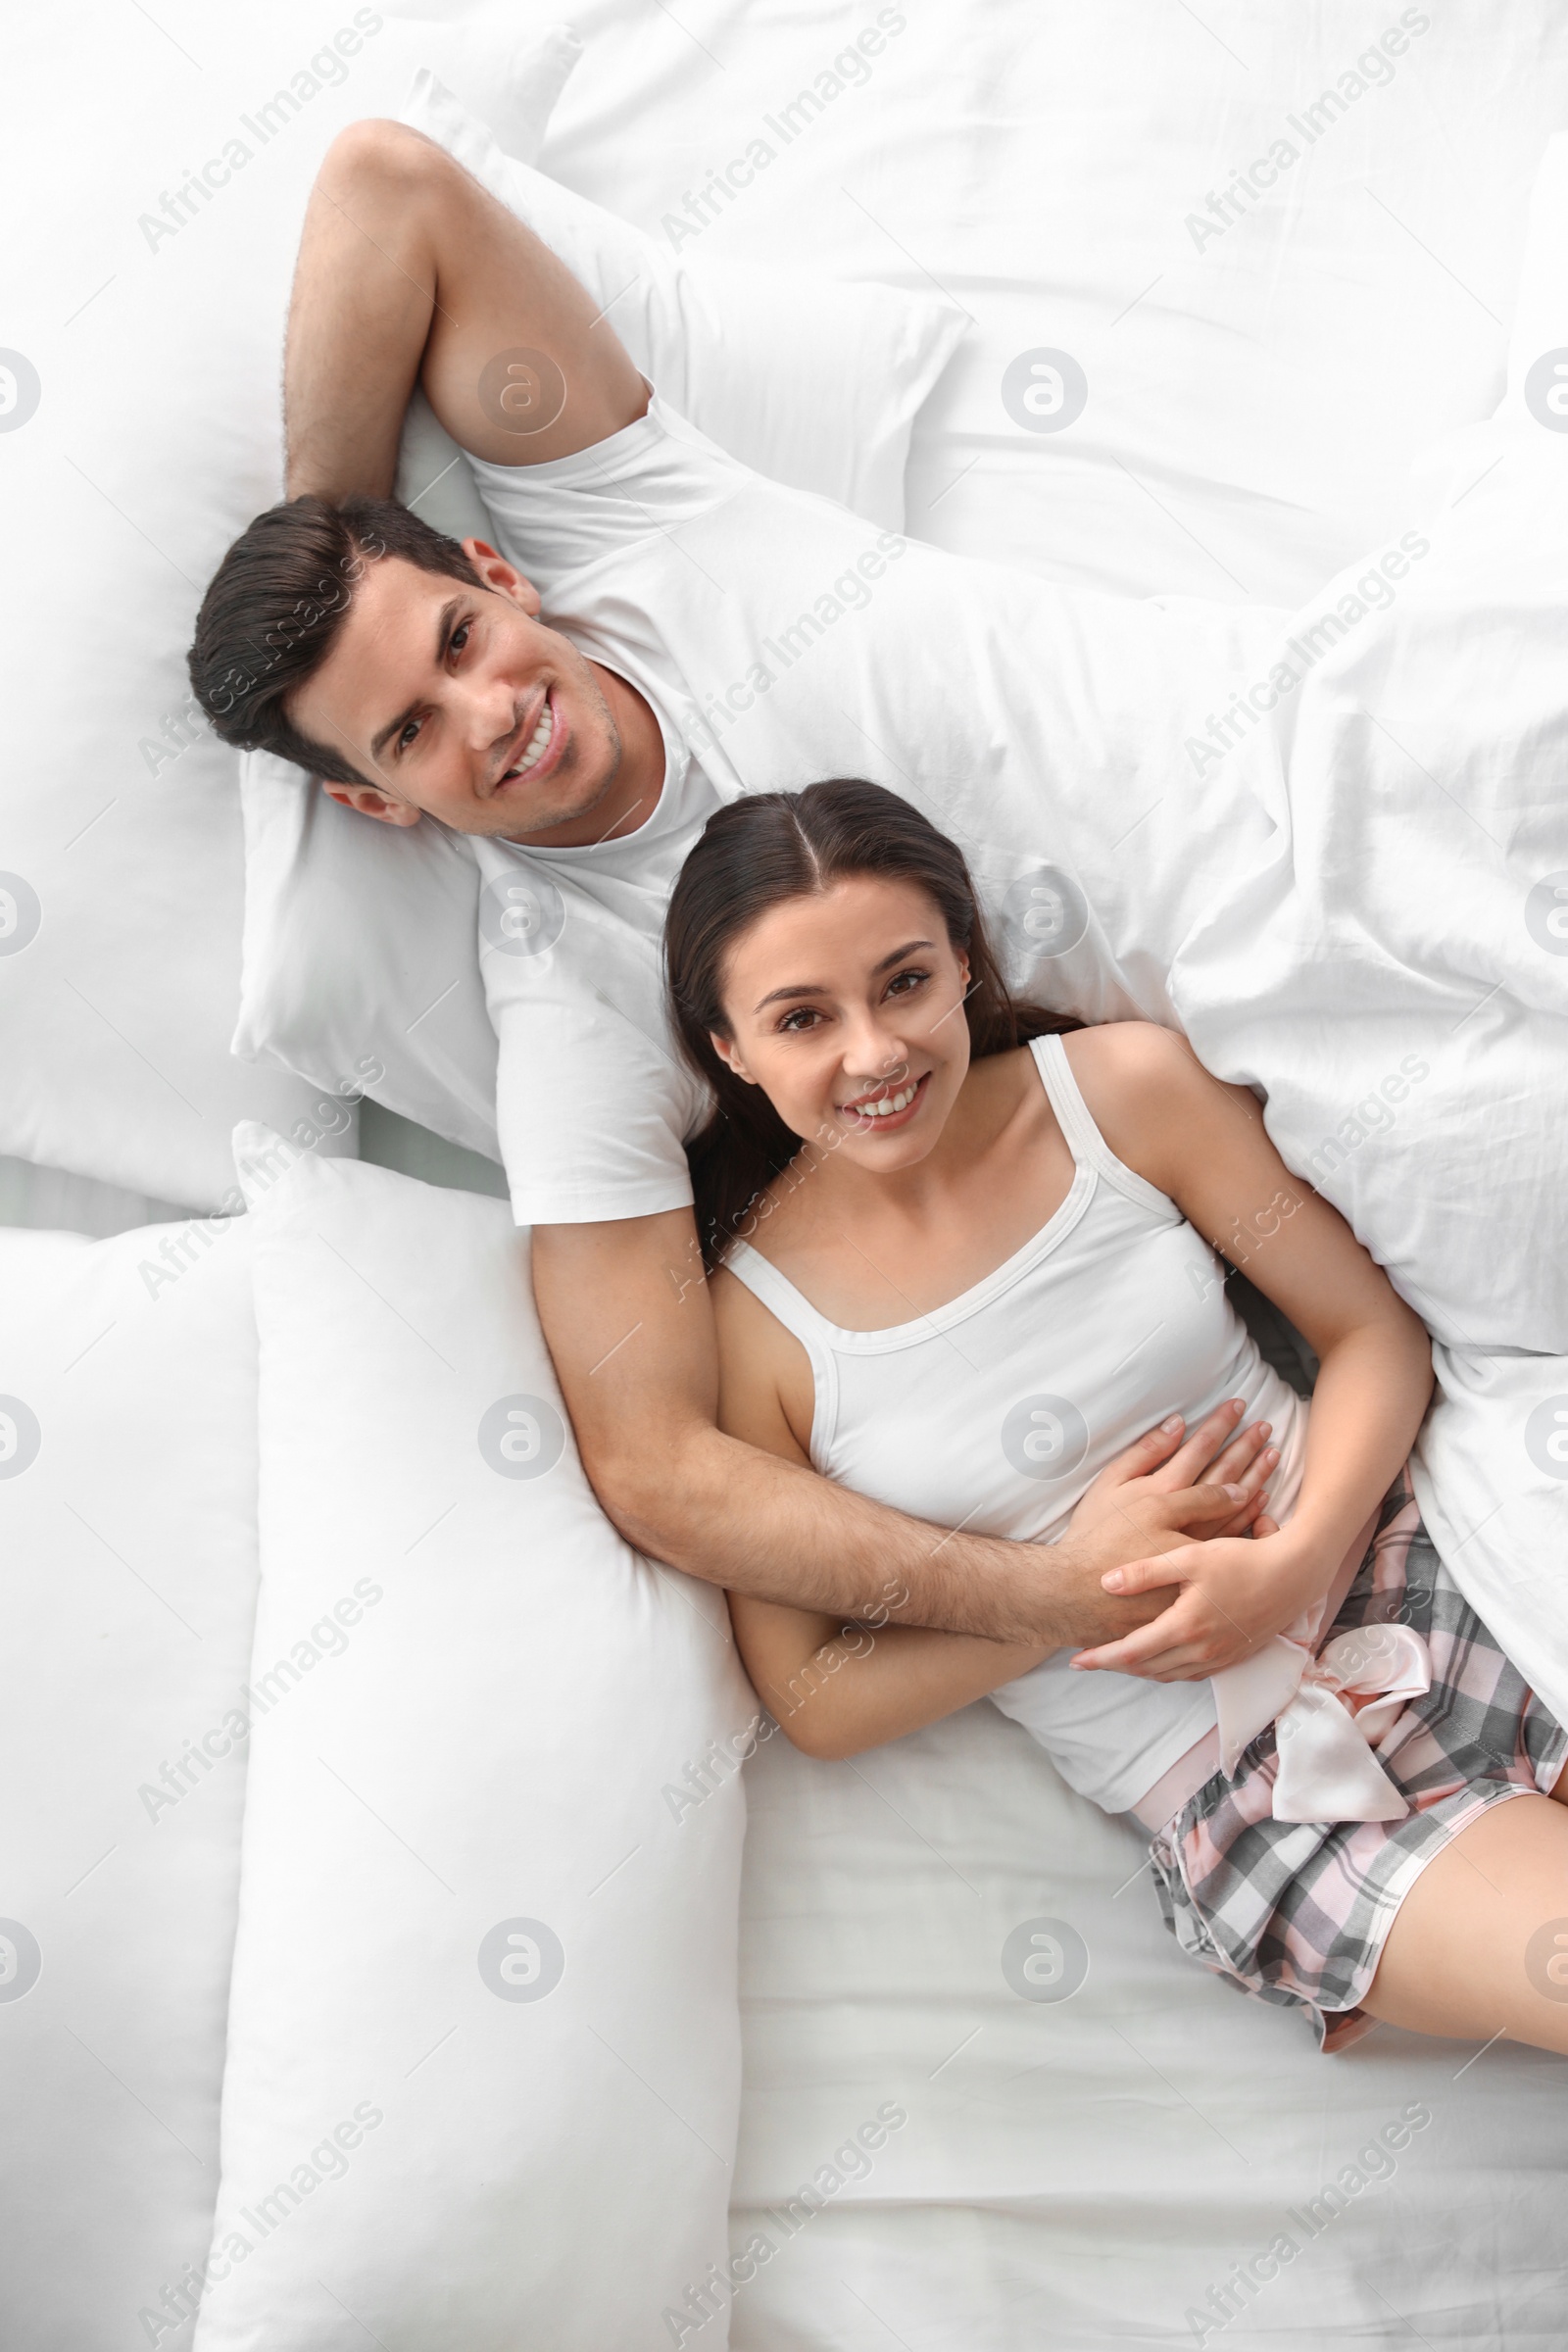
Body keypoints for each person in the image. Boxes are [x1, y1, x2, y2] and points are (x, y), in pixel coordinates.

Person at [664, 776, 1568, 2055]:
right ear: (729, 1050)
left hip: (1433, 1576)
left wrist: (1294, 1560)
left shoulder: (1115, 1095)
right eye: (804, 1019)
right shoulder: (749, 1337)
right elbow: (814, 1694)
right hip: (1252, 1790)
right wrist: (1067, 1594)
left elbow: (1369, 1335)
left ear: (965, 960)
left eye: (905, 983)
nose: (873, 1053)